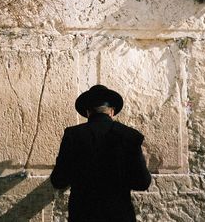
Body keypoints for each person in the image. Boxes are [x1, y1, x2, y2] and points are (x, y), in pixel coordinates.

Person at [50, 84, 152, 222]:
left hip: (83, 216)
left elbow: (59, 180)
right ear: (111, 111)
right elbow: (142, 182)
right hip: (120, 216)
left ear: (88, 112)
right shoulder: (129, 136)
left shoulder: (73, 136)